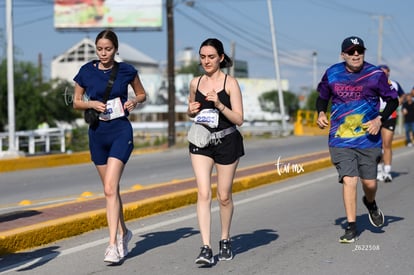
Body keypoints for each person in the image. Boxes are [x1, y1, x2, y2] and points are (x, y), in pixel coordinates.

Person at [73, 29, 147, 263]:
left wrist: (134, 101)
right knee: (111, 190)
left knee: (109, 189)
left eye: (108, 49)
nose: (104, 53)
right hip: (97, 134)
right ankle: (125, 232)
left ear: (116, 49)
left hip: (120, 132)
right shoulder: (86, 71)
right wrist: (90, 103)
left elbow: (142, 93)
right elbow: (76, 102)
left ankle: (112, 245)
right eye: (100, 49)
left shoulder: (126, 70)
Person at [316, 36, 399, 243]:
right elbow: (323, 96)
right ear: (343, 54)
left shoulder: (375, 74)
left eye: (359, 51)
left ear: (363, 53)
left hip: (368, 138)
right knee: (349, 180)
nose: (355, 55)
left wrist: (380, 120)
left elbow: (393, 100)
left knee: (369, 184)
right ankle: (351, 227)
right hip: (340, 139)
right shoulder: (332, 73)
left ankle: (370, 203)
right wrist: (320, 112)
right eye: (351, 51)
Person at [187, 38, 244, 265]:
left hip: (227, 141)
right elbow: (191, 111)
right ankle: (206, 247)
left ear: (221, 57)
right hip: (201, 142)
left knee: (223, 196)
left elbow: (239, 119)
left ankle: (225, 239)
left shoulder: (230, 83)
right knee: (203, 193)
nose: (207, 61)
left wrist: (220, 104)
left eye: (211, 56)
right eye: (203, 57)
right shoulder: (195, 83)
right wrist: (189, 111)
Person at [376, 65, 405, 182]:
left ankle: (387, 172)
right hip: (375, 117)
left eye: (386, 72)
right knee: (377, 145)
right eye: (382, 72)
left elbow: (402, 95)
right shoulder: (373, 83)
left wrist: (399, 102)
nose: (384, 74)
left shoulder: (394, 84)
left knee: (387, 144)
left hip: (390, 116)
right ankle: (378, 170)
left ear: (389, 73)